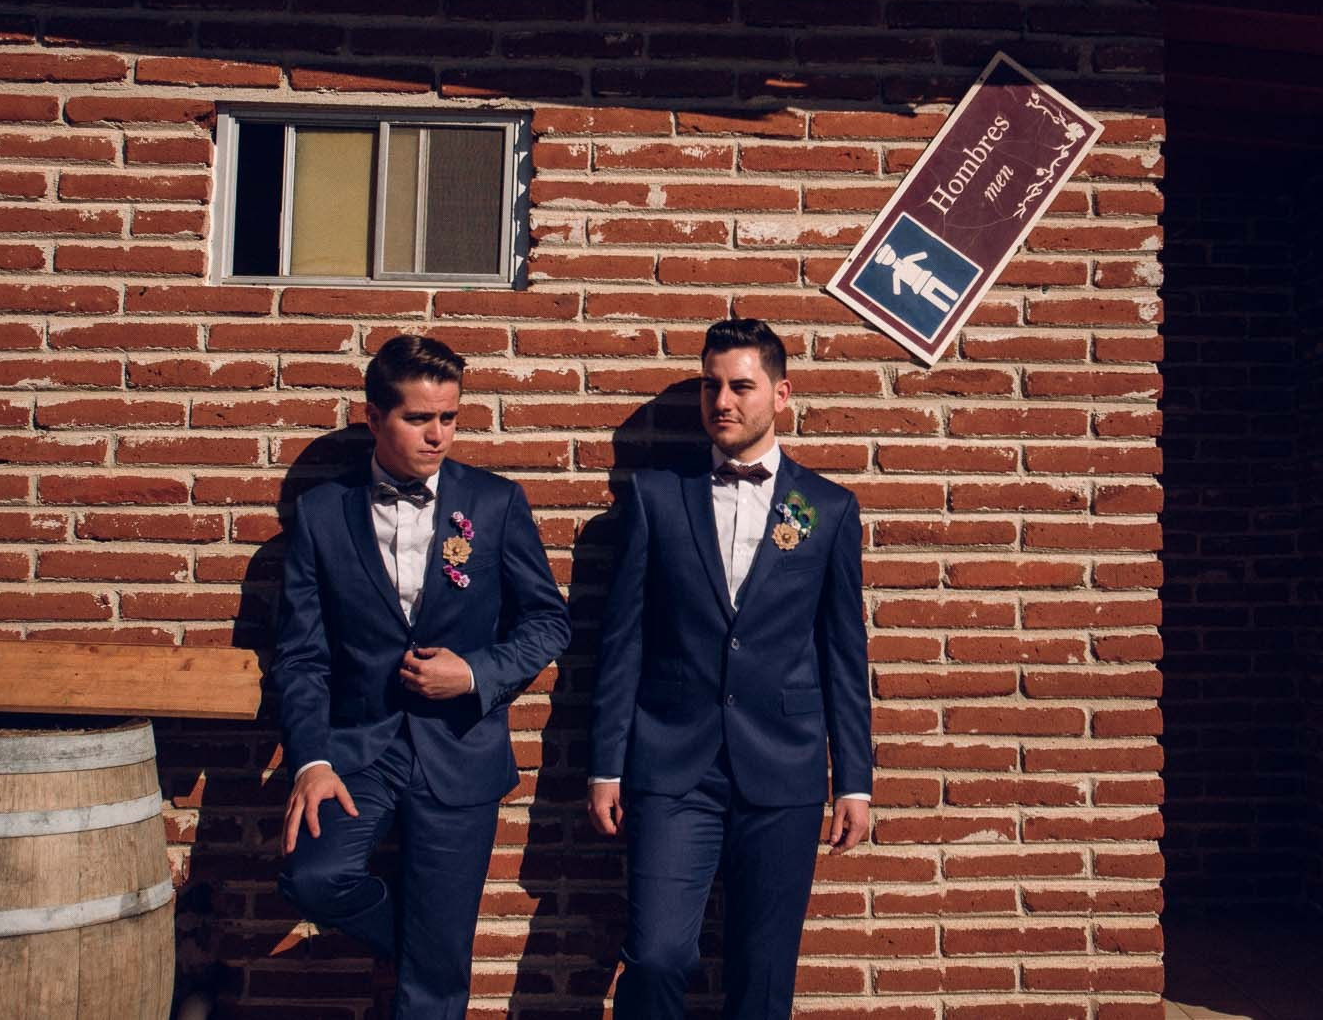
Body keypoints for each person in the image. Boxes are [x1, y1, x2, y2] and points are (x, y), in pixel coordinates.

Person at [272, 334, 570, 1020]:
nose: (438, 435)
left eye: (450, 417)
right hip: (357, 751)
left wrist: (474, 672)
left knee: (433, 995)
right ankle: (426, 944)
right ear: (374, 417)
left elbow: (548, 621)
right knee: (313, 878)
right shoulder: (322, 515)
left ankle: (432, 964)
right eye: (418, 418)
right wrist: (310, 759)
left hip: (460, 752)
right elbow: (301, 653)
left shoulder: (493, 503)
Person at [588, 317, 873, 1020]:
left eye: (741, 385)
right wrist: (605, 765)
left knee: (763, 976)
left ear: (781, 394)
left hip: (785, 771)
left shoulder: (828, 508)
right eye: (712, 385)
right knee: (655, 953)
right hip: (673, 766)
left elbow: (844, 650)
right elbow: (622, 638)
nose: (723, 400)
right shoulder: (657, 496)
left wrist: (856, 780)